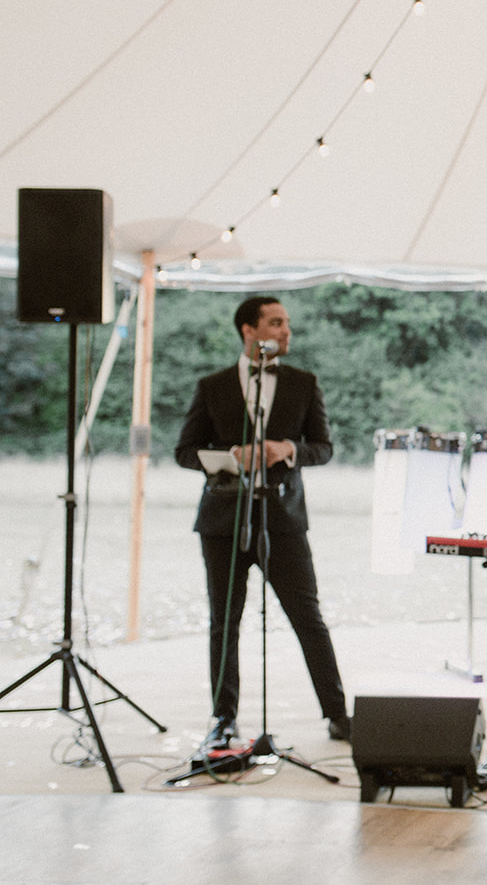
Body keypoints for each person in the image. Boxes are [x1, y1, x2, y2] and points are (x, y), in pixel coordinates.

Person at [173, 296, 349, 747]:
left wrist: (289, 449)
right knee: (224, 623)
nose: (286, 331)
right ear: (249, 331)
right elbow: (184, 451)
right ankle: (224, 719)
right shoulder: (212, 385)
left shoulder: (303, 383)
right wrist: (232, 456)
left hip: (284, 520)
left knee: (308, 619)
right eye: (276, 323)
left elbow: (323, 448)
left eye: (287, 323)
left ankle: (338, 715)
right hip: (223, 523)